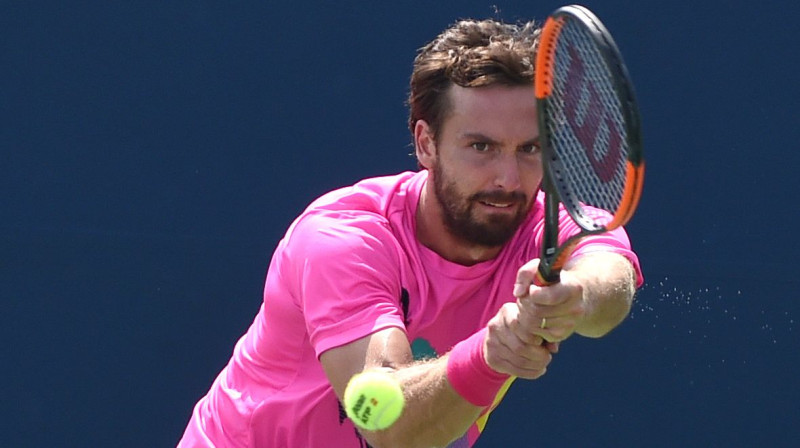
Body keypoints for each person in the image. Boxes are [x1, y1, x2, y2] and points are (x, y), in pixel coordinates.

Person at [179, 17, 643, 448]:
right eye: (481, 147)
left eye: (529, 149)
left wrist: (576, 294)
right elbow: (387, 425)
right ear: (426, 143)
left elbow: (608, 278)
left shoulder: (548, 226)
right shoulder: (343, 238)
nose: (507, 178)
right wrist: (490, 356)